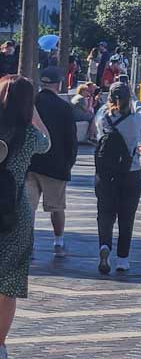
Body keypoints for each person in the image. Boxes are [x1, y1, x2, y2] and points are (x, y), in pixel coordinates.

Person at [0, 75, 51, 359]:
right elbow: (47, 143)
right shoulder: (29, 136)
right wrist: (32, 112)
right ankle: (0, 345)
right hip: (15, 212)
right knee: (7, 286)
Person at [94, 82, 141, 275]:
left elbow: (102, 108)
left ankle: (105, 246)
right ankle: (122, 259)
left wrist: (107, 101)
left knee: (105, 214)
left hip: (105, 174)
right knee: (127, 216)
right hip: (130, 172)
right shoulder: (135, 120)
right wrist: (135, 99)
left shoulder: (102, 117)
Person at [25, 68, 78, 257]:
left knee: (28, 209)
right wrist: (68, 163)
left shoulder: (31, 103)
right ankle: (58, 242)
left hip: (30, 164)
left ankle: (28, 246)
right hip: (56, 165)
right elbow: (71, 140)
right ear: (59, 84)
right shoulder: (64, 107)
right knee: (56, 207)